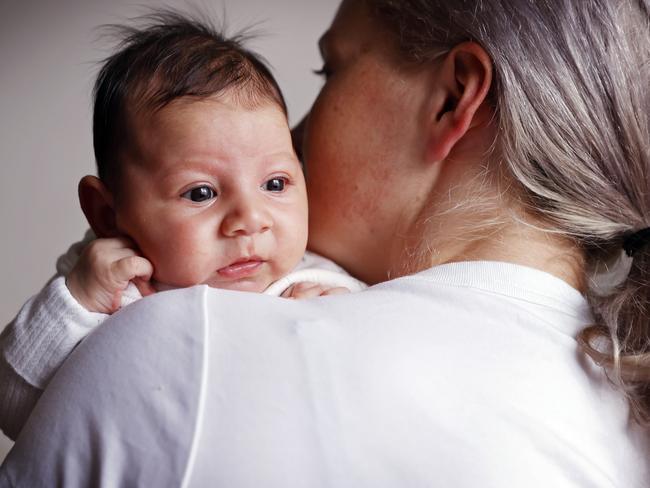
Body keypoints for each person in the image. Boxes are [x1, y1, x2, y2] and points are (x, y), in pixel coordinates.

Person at [1, 0, 649, 486]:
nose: (300, 133)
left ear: (454, 97)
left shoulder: (186, 345)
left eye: (331, 68)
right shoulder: (625, 413)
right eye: (202, 192)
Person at [0, 13, 364, 441]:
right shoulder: (107, 290)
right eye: (200, 193)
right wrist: (76, 302)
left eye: (275, 183)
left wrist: (344, 316)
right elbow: (12, 407)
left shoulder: (310, 280)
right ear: (106, 214)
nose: (249, 219)